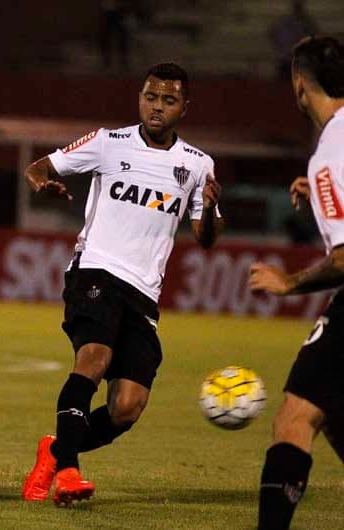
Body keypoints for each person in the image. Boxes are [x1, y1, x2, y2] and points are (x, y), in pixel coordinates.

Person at [21, 63, 224, 506]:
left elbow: (206, 239)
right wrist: (43, 183)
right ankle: (69, 472)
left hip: (143, 293)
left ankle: (55, 450)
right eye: (150, 97)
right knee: (94, 358)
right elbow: (38, 166)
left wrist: (208, 208)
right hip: (95, 271)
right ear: (140, 97)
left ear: (184, 107)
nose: (156, 107)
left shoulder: (197, 165)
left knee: (127, 407)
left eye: (168, 100)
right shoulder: (107, 142)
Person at [249, 35, 344, 530]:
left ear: (298, 82)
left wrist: (289, 283)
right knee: (332, 416)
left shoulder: (330, 151)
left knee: (296, 418)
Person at [270, 1, 319, 80]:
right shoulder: (284, 22)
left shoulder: (308, 23)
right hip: (287, 61)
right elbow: (273, 34)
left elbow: (315, 38)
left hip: (302, 62)